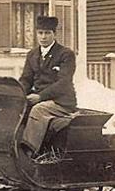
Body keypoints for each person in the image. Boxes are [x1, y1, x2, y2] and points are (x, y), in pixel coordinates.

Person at [18, 15, 78, 158]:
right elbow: (26, 79)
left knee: (38, 110)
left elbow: (63, 83)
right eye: (40, 33)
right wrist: (19, 93)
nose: (43, 37)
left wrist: (40, 96)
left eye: (47, 33)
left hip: (61, 102)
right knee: (17, 108)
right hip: (39, 99)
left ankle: (29, 152)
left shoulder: (65, 54)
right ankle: (13, 145)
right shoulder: (32, 54)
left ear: (54, 34)